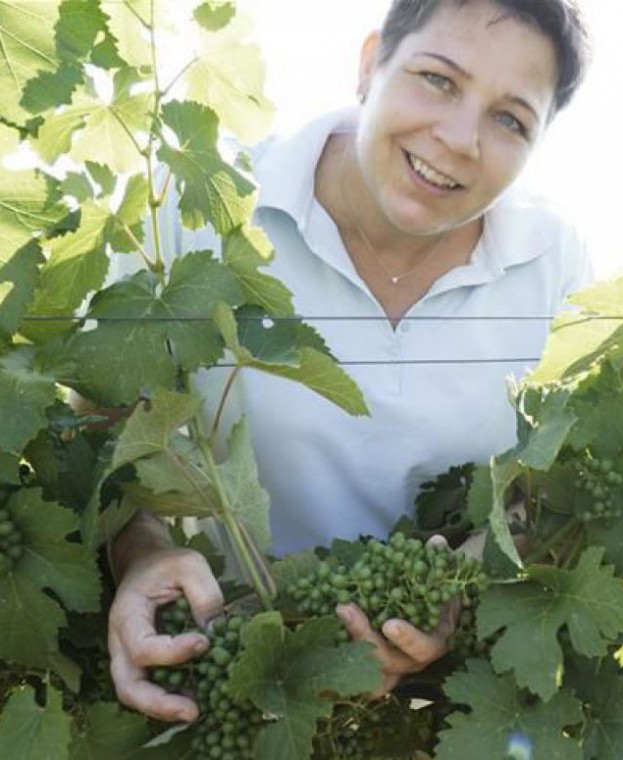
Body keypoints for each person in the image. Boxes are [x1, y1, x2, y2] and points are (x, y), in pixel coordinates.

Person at [106, 0, 591, 723]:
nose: (459, 139)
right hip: (220, 675)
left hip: (422, 711)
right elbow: (103, 413)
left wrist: (456, 583)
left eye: (510, 119)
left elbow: (541, 493)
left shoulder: (554, 268)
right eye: (438, 79)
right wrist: (138, 550)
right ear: (370, 64)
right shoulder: (197, 206)